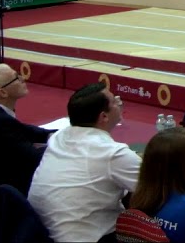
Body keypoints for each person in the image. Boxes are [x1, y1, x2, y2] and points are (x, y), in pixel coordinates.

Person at [29, 83, 142, 243]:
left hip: (40, 234)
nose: (119, 102)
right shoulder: (112, 153)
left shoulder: (58, 137)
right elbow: (156, 189)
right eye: (114, 101)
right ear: (104, 117)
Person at [0, 64, 54, 206]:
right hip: (1, 202)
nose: (23, 78)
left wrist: (52, 134)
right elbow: (35, 159)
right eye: (16, 78)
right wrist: (65, 142)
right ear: (3, 93)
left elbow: (22, 129)